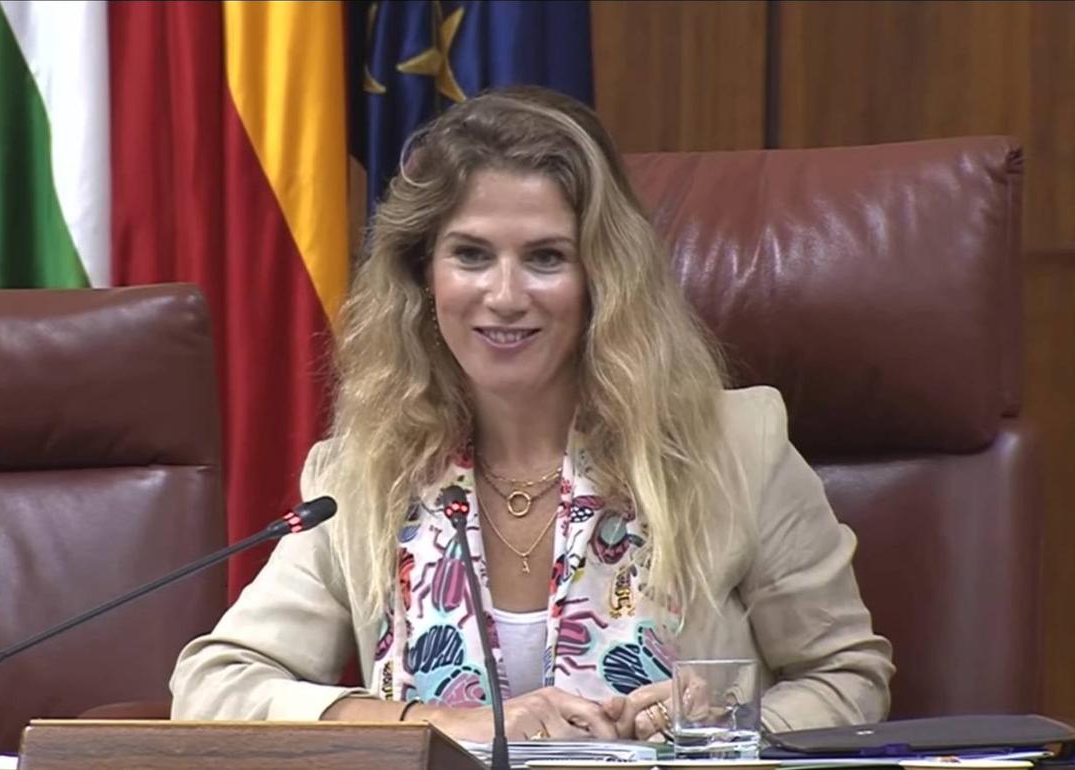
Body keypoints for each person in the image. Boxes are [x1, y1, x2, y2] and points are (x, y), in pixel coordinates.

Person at [169, 85, 894, 743]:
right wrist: (436, 724)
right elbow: (214, 686)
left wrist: (725, 726)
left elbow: (847, 679)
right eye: (471, 255)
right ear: (424, 275)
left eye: (546, 257)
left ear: (602, 278)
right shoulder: (365, 475)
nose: (506, 296)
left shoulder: (734, 448)